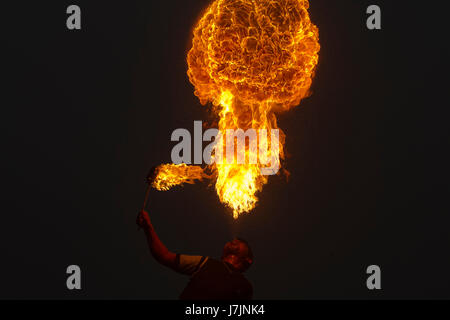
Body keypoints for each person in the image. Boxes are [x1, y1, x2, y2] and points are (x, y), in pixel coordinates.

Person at [136, 209, 253, 299]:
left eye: (242, 242)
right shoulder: (205, 263)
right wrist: (148, 227)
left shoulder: (245, 287)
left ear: (248, 260)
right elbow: (164, 256)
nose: (235, 240)